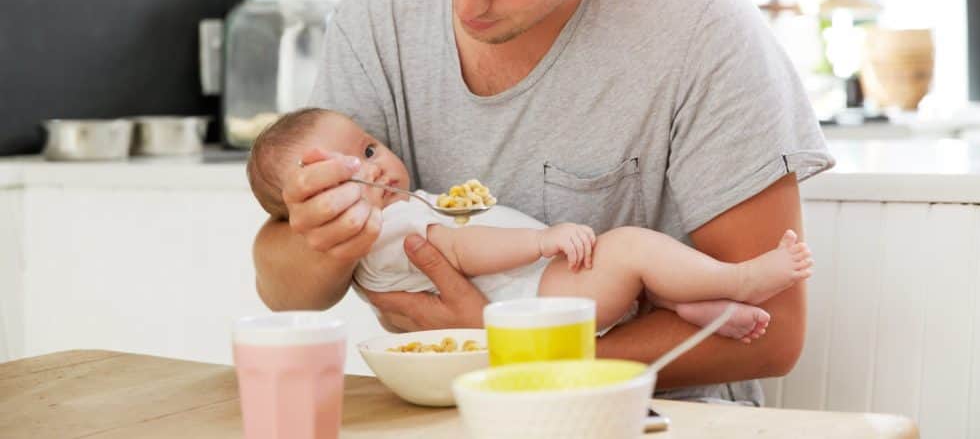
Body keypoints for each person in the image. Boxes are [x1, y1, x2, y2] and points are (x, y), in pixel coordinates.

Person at [251, 0, 833, 404]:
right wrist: (320, 236)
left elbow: (775, 333)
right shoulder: (377, 14)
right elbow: (287, 290)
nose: (467, 5)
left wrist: (513, 350)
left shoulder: (702, 30)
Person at [248, 108, 815, 341]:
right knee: (633, 248)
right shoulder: (385, 234)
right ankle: (740, 280)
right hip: (538, 296)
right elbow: (465, 250)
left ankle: (698, 310)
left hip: (539, 299)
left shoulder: (401, 208)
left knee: (645, 281)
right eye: (351, 176)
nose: (378, 170)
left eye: (371, 149)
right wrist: (541, 239)